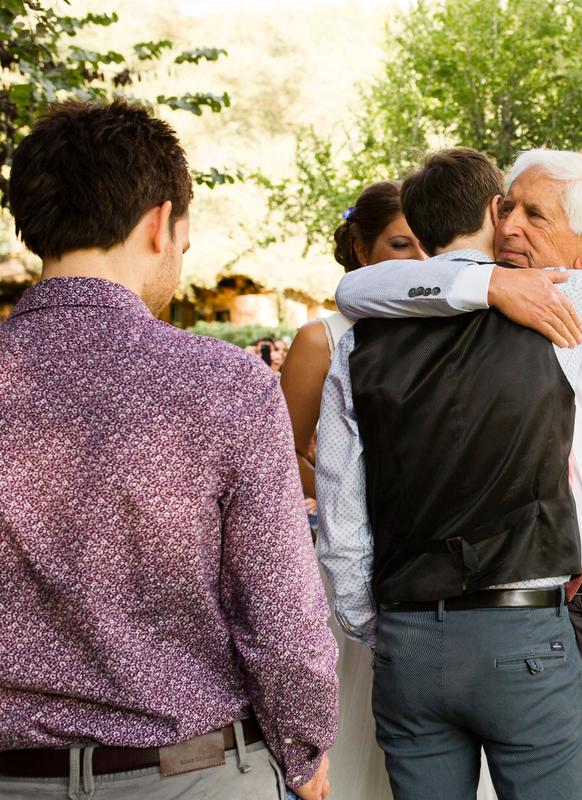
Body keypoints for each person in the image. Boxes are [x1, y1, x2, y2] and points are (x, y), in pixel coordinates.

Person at [336, 148, 582, 800]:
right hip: (532, 612)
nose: (509, 227)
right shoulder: (463, 315)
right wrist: (489, 288)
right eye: (507, 209)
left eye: (533, 214)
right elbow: (356, 289)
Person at [0, 100, 338, 800]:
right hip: (193, 771)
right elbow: (282, 616)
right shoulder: (226, 384)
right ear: (160, 223)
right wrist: (306, 751)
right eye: (184, 240)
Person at [279, 180, 427, 800]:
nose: (419, 259)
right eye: (400, 244)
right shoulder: (324, 338)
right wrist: (352, 492)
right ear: (362, 250)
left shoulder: (446, 326)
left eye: (426, 243)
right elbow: (281, 456)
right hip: (349, 560)